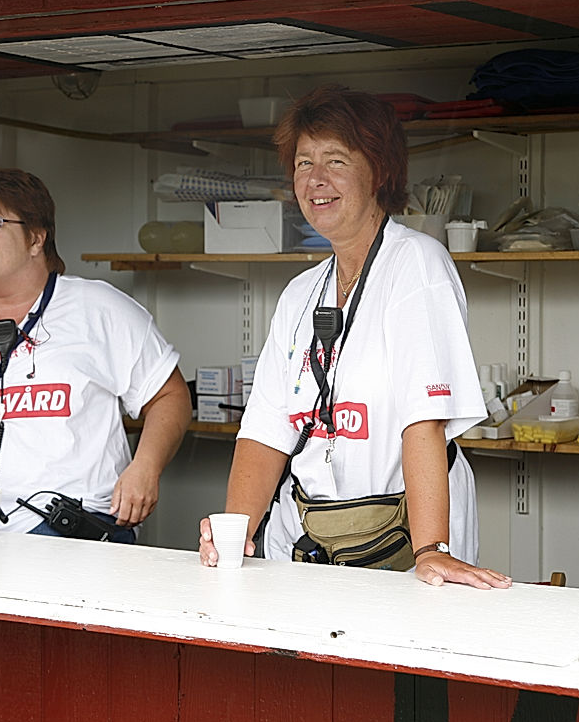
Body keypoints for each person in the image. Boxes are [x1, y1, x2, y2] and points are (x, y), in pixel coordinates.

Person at [197, 86, 511, 589]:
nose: (315, 179)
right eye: (303, 163)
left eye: (336, 160)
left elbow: (425, 420)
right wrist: (236, 534)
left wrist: (432, 549)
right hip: (308, 537)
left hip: (402, 539)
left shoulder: (415, 264)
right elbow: (264, 432)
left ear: (379, 171)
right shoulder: (301, 293)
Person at [0, 165, 191, 542]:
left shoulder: (100, 310)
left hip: (73, 532)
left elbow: (169, 396)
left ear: (36, 238)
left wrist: (145, 467)